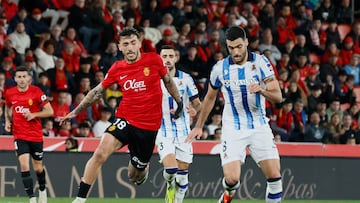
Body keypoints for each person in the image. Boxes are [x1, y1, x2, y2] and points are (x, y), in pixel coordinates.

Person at [59, 27, 183, 203]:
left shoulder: (154, 60)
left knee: (135, 176)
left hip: (148, 128)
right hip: (125, 120)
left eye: (133, 43)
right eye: (126, 44)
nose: (130, 47)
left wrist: (179, 102)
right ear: (120, 47)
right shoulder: (117, 68)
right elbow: (96, 91)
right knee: (100, 152)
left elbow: (168, 81)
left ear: (140, 43)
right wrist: (76, 111)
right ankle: (79, 200)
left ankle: (142, 168)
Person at [186, 26, 283, 203]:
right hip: (233, 129)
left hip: (259, 126)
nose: (236, 52)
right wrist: (199, 125)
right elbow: (209, 98)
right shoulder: (219, 68)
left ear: (246, 43)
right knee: (231, 179)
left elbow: (278, 96)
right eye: (231, 48)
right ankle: (227, 195)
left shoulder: (261, 63)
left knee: (275, 177)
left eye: (239, 46)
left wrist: (262, 90)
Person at [157, 45, 201, 203]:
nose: (167, 59)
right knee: (170, 170)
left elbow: (197, 104)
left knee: (182, 179)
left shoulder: (186, 79)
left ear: (175, 58)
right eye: (164, 56)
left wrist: (194, 111)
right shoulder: (154, 79)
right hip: (163, 131)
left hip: (184, 133)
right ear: (160, 59)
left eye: (171, 56)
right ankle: (169, 184)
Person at [4, 67, 54, 203]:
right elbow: (7, 107)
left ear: (29, 78)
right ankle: (32, 198)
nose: (21, 79)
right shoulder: (9, 93)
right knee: (24, 165)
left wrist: (34, 114)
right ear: (14, 79)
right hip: (19, 135)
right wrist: (8, 120)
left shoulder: (36, 92)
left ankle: (42, 190)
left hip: (35, 135)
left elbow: (50, 111)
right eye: (18, 77)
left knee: (38, 167)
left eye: (23, 76)